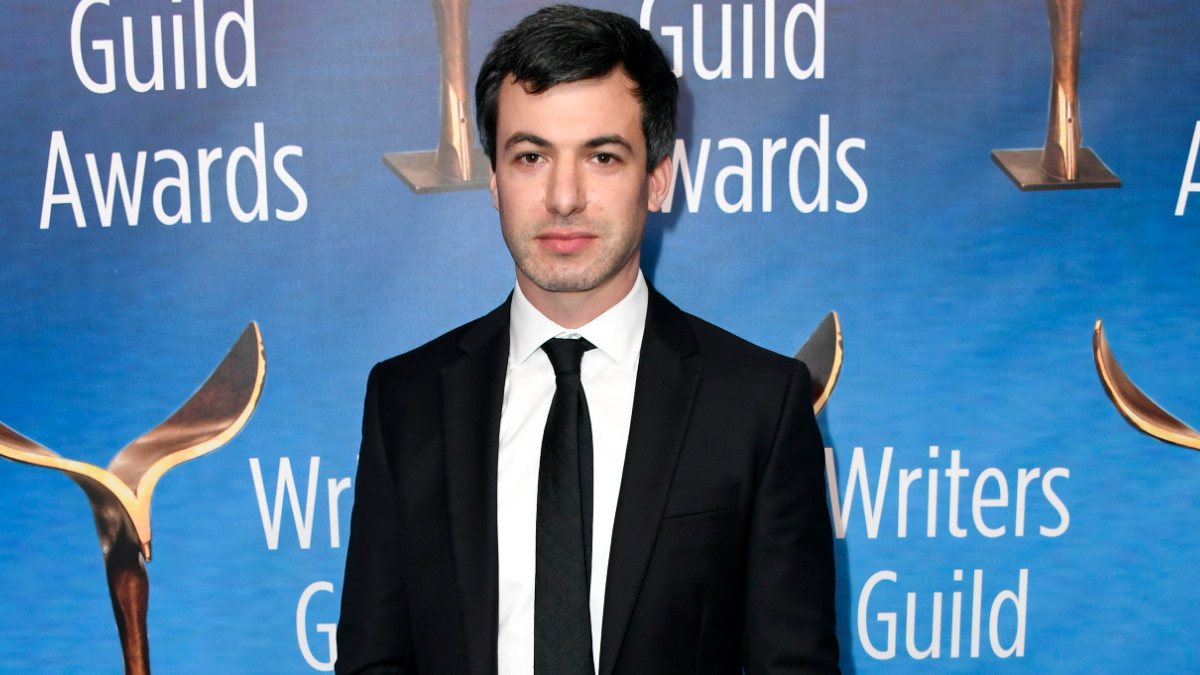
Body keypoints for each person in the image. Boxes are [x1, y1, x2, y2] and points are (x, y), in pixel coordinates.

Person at [335, 5, 839, 674]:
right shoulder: (406, 401)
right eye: (530, 155)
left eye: (602, 156)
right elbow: (373, 661)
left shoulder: (757, 404)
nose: (563, 196)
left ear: (656, 178)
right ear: (494, 179)